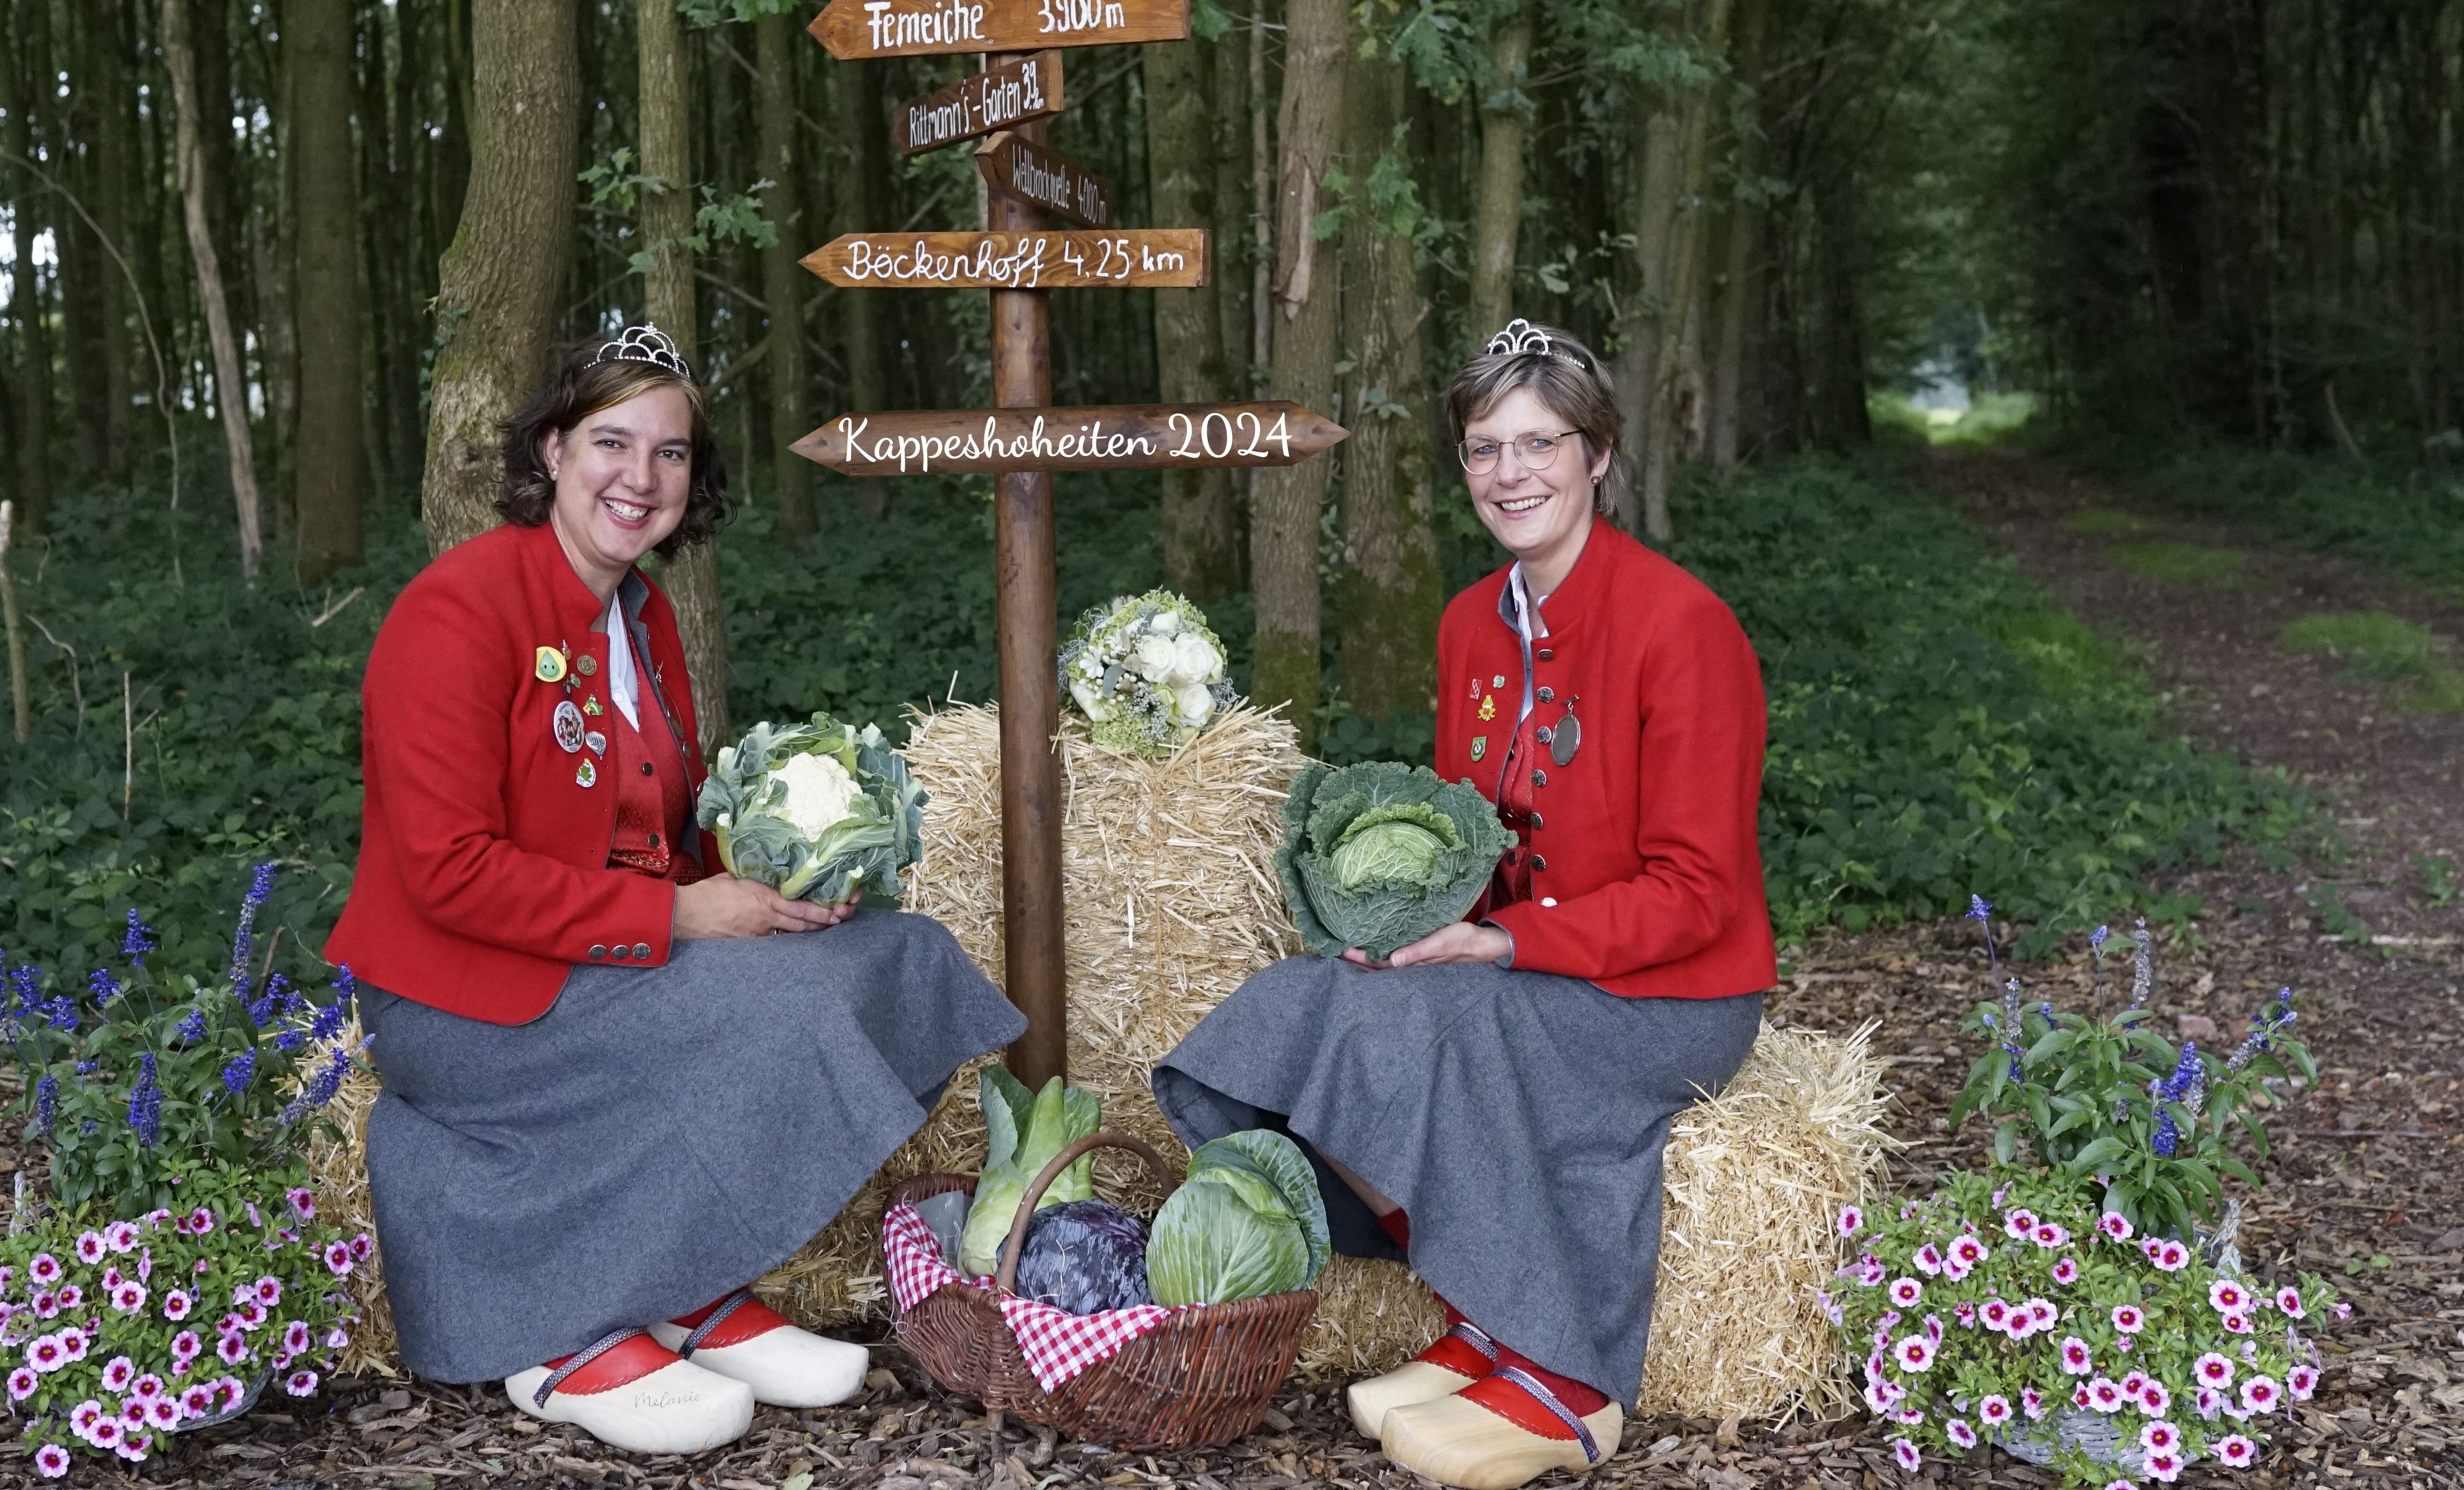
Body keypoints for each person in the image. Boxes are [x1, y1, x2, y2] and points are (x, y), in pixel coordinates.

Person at [325, 326, 1025, 1456]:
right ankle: (560, 1328)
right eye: (612, 442)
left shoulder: (641, 615)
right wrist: (684, 918)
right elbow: (449, 870)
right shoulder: (459, 609)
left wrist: (767, 896)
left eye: (672, 454)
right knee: (786, 1010)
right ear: (551, 449)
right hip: (465, 1001)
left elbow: (654, 827)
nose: (640, 478)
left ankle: (681, 1278)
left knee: (892, 956)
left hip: (604, 960)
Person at [1152, 321, 1776, 1490]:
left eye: (1540, 443)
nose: (1510, 474)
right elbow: (1464, 842)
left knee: (1447, 1023)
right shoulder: (1465, 624)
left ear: (1599, 453)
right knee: (1315, 1003)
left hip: (1670, 994)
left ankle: (1566, 1376)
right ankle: (1491, 1306)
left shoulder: (1681, 626)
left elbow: (1697, 895)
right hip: (1522, 964)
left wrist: (1496, 941)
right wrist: (1397, 925)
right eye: (1484, 449)